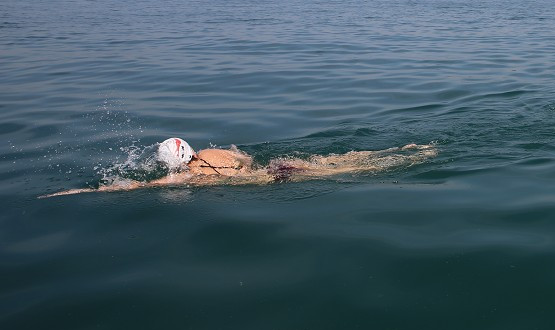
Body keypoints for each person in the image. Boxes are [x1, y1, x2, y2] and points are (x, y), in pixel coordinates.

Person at [41, 138, 436, 197]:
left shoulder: (187, 176)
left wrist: (84, 190)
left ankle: (415, 156)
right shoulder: (214, 151)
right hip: (281, 163)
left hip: (275, 177)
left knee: (350, 173)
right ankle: (406, 148)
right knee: (347, 160)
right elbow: (244, 157)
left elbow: (129, 187)